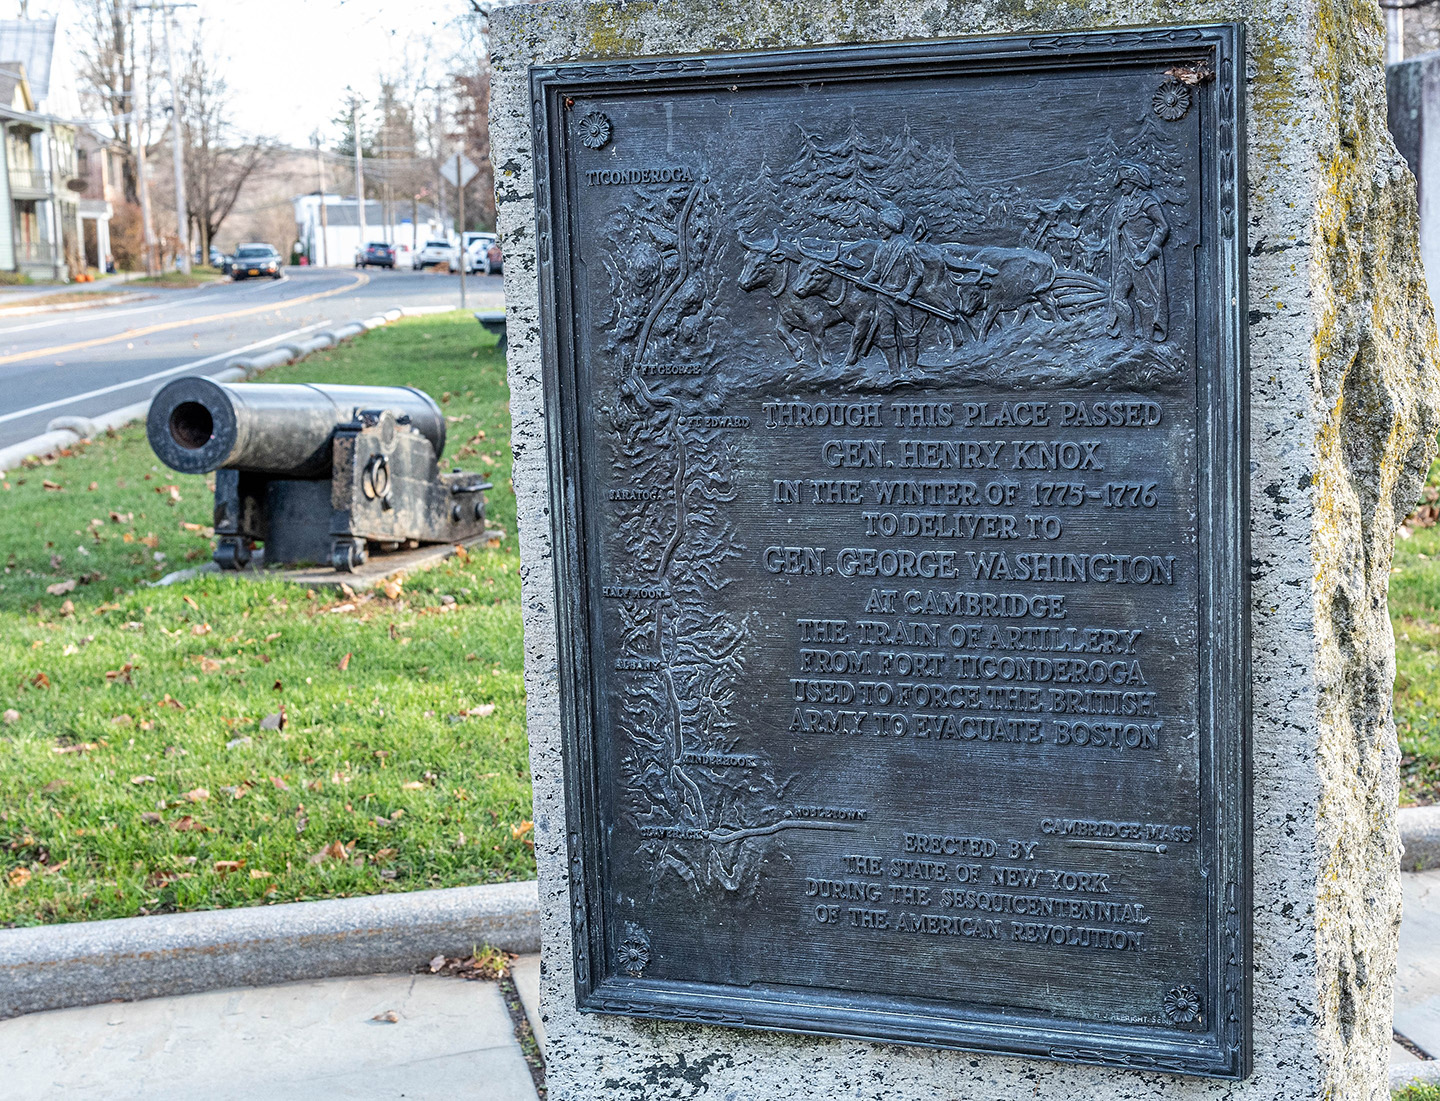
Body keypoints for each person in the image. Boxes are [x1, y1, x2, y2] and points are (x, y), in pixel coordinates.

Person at [848, 204, 926, 375]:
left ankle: (912, 369)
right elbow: (876, 271)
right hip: (883, 297)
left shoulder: (908, 247)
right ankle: (894, 372)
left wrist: (906, 293)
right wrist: (865, 281)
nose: (879, 229)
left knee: (908, 333)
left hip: (900, 297)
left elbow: (918, 274)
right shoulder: (881, 248)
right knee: (886, 334)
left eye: (883, 226)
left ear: (892, 226)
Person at [1106, 161, 1169, 342]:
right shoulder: (1123, 203)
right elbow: (1116, 230)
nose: (1121, 187)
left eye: (1124, 183)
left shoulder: (1148, 203)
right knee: (1118, 298)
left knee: (1144, 299)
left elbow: (1162, 227)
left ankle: (1147, 342)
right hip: (1126, 259)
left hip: (1142, 260)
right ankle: (1128, 340)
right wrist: (1117, 223)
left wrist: (1147, 254)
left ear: (1134, 184)